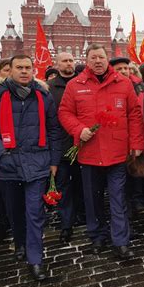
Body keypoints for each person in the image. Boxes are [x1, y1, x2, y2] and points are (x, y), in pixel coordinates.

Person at [0, 54, 62, 281]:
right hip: (8, 164)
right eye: (19, 67)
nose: (24, 71)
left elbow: (53, 130)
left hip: (37, 162)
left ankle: (35, 259)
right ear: (10, 70)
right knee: (14, 210)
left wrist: (54, 160)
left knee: (35, 213)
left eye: (28, 67)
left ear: (33, 70)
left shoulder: (43, 96)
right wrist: (0, 151)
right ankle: (20, 242)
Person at [58, 44, 144, 259]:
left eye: (101, 57)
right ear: (86, 61)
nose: (98, 61)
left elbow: (134, 115)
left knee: (118, 198)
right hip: (89, 153)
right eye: (93, 57)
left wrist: (136, 143)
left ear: (108, 60)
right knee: (92, 199)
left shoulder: (123, 83)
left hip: (117, 152)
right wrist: (78, 130)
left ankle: (121, 241)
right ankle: (97, 235)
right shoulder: (74, 85)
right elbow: (65, 112)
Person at [47, 52, 83, 243]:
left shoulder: (83, 83)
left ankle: (83, 216)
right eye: (65, 61)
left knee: (83, 184)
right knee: (64, 186)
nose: (69, 63)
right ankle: (66, 224)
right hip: (61, 146)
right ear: (57, 64)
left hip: (84, 145)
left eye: (71, 60)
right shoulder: (50, 89)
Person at [110, 57, 144, 215]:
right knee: (122, 175)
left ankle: (138, 200)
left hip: (139, 134)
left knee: (138, 170)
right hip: (118, 139)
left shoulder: (140, 86)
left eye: (126, 68)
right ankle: (126, 204)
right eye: (119, 69)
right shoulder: (110, 87)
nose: (124, 71)